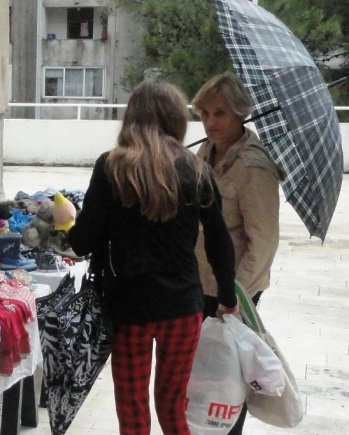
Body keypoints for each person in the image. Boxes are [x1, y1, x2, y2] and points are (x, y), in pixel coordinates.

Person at [68, 79, 238, 435]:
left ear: (132, 118)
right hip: (183, 306)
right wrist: (227, 296)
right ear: (176, 119)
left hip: (130, 309)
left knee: (132, 409)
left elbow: (82, 242)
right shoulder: (197, 170)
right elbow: (219, 242)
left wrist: (68, 220)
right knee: (173, 406)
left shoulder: (111, 167)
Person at [192, 72, 283, 434]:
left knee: (228, 378)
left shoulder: (254, 167)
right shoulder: (204, 153)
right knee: (203, 375)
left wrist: (235, 296)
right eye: (204, 114)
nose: (210, 122)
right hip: (199, 284)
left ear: (240, 113)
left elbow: (264, 243)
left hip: (233, 292)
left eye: (220, 113)